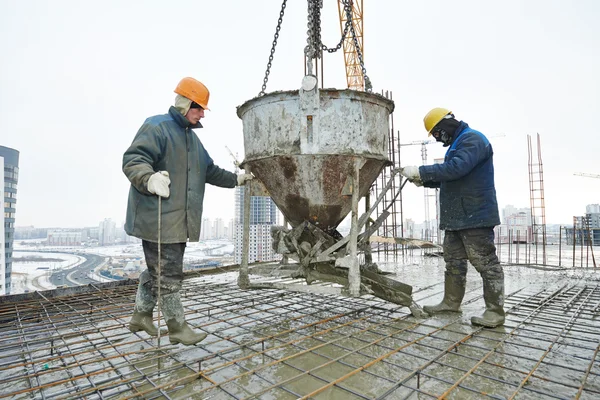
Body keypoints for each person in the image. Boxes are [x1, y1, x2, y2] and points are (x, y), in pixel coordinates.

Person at [123, 77, 253, 345]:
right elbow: (134, 160)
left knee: (156, 270)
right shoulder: (157, 127)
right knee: (169, 274)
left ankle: (140, 316)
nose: (203, 113)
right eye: (199, 107)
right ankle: (177, 328)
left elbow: (210, 171)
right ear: (185, 104)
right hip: (156, 218)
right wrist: (148, 179)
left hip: (179, 220)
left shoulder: (192, 140)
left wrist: (236, 180)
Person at [400, 108, 504, 328]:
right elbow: (452, 177)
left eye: (437, 133)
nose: (438, 138)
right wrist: (423, 180)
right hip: (457, 216)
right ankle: (451, 303)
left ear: (446, 123)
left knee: (486, 263)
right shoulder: (458, 143)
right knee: (453, 262)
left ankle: (495, 312)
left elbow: (457, 169)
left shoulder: (472, 139)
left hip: (475, 215)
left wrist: (421, 171)